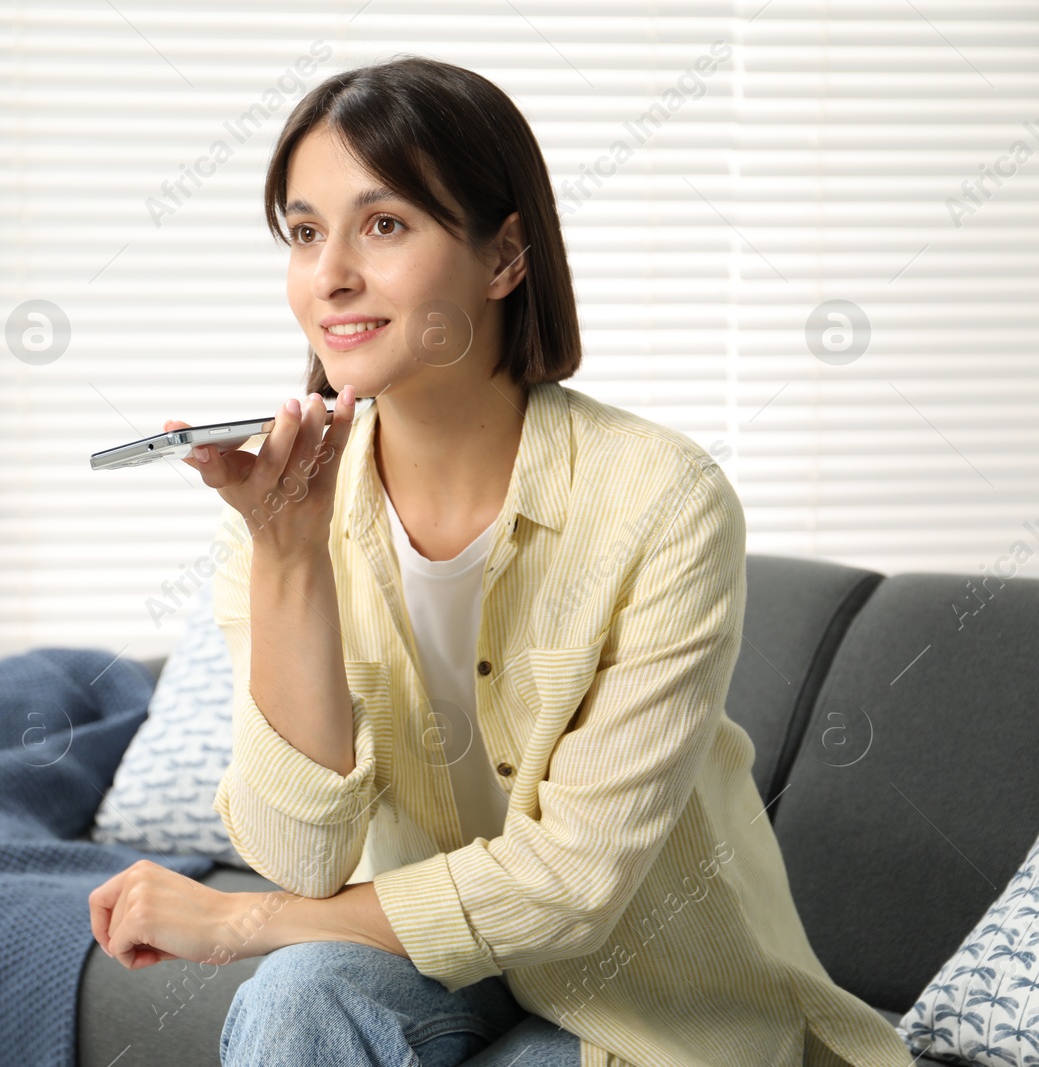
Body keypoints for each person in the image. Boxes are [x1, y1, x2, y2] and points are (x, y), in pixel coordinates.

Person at [89, 56, 914, 1067]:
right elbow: (300, 856)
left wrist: (237, 920)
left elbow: (568, 886)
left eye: (383, 225)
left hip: (650, 997)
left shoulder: (663, 499)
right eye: (304, 231)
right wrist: (288, 557)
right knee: (298, 998)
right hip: (426, 958)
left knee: (292, 964)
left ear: (503, 256)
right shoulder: (280, 512)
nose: (330, 275)